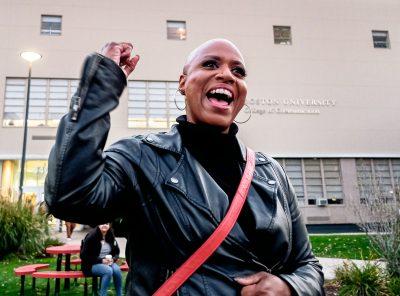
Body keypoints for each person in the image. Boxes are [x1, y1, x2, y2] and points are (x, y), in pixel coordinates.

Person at [45, 39, 325, 295]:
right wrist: (99, 88)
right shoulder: (141, 157)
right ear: (183, 83)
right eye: (210, 64)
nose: (227, 75)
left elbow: (307, 265)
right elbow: (70, 198)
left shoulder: (272, 172)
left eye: (238, 71)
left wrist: (289, 287)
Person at [80, 223, 122, 296]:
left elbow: (116, 252)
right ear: (98, 225)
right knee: (108, 271)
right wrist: (101, 260)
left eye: (106, 223)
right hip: (91, 264)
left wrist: (113, 259)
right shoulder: (91, 236)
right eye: (102, 223)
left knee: (117, 270)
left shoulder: (111, 235)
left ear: (109, 225)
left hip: (108, 262)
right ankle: (102, 294)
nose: (104, 225)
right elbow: (83, 256)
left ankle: (119, 294)